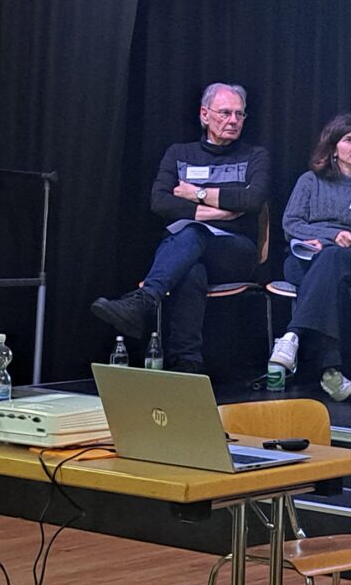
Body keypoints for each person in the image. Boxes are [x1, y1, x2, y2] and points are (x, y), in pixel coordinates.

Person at [90, 83, 270, 376]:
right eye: (225, 113)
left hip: (234, 251)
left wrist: (196, 193)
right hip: (186, 249)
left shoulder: (255, 155)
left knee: (192, 233)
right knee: (191, 268)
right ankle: (187, 364)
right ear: (204, 114)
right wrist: (220, 211)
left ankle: (145, 301)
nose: (233, 120)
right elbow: (160, 201)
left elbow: (252, 200)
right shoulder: (179, 153)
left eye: (239, 114)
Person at [266, 114, 351, 401]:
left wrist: (347, 241)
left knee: (332, 259)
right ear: (333, 148)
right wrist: (331, 237)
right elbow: (291, 223)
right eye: (348, 140)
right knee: (328, 276)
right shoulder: (310, 181)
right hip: (305, 257)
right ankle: (330, 372)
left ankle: (292, 336)